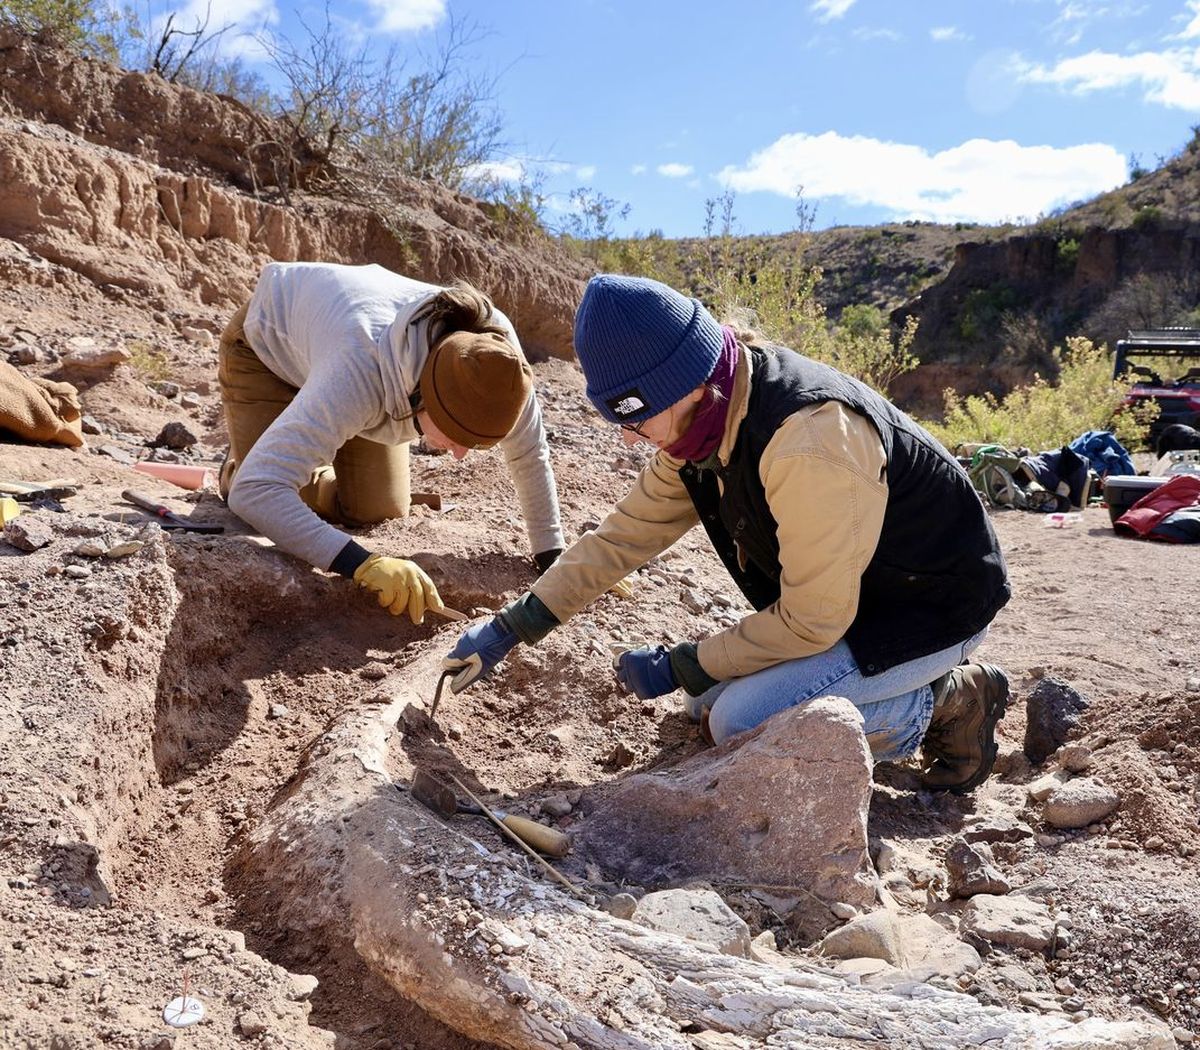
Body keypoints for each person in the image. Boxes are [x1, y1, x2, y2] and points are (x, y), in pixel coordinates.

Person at [445, 273, 1012, 794]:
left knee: (739, 721)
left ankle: (948, 702)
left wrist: (681, 662)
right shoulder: (703, 424)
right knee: (707, 703)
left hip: (932, 610)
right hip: (856, 602)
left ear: (683, 386)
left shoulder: (808, 440)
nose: (629, 439)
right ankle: (901, 694)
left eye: (635, 418)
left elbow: (813, 620)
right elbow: (622, 538)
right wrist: (510, 628)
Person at [218, 262, 564, 623]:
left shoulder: (499, 368)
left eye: (474, 444)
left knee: (378, 507)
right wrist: (361, 564)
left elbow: (530, 454)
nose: (460, 455)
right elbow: (257, 490)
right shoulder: (358, 369)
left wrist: (553, 556)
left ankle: (305, 436)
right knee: (266, 491)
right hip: (267, 351)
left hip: (341, 367)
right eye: (456, 436)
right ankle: (239, 463)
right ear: (423, 396)